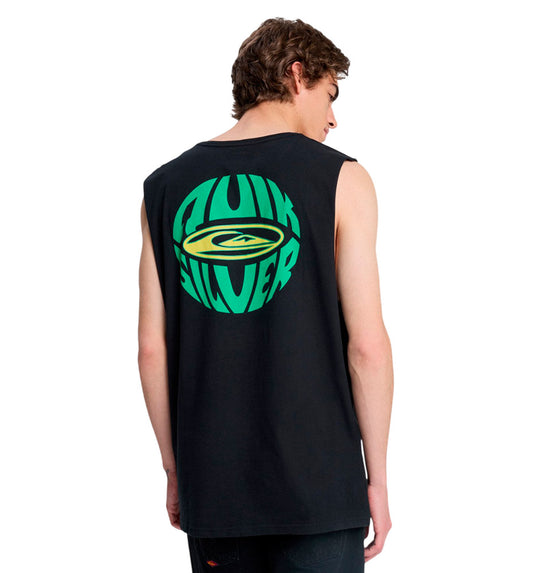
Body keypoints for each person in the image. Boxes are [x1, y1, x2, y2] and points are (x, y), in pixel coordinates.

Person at [138, 17, 393, 572]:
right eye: (330, 95)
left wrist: (175, 471)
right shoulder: (343, 179)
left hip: (215, 488)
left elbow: (152, 350)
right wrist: (375, 479)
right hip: (322, 488)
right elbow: (367, 347)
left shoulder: (163, 187)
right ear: (297, 75)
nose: (333, 118)